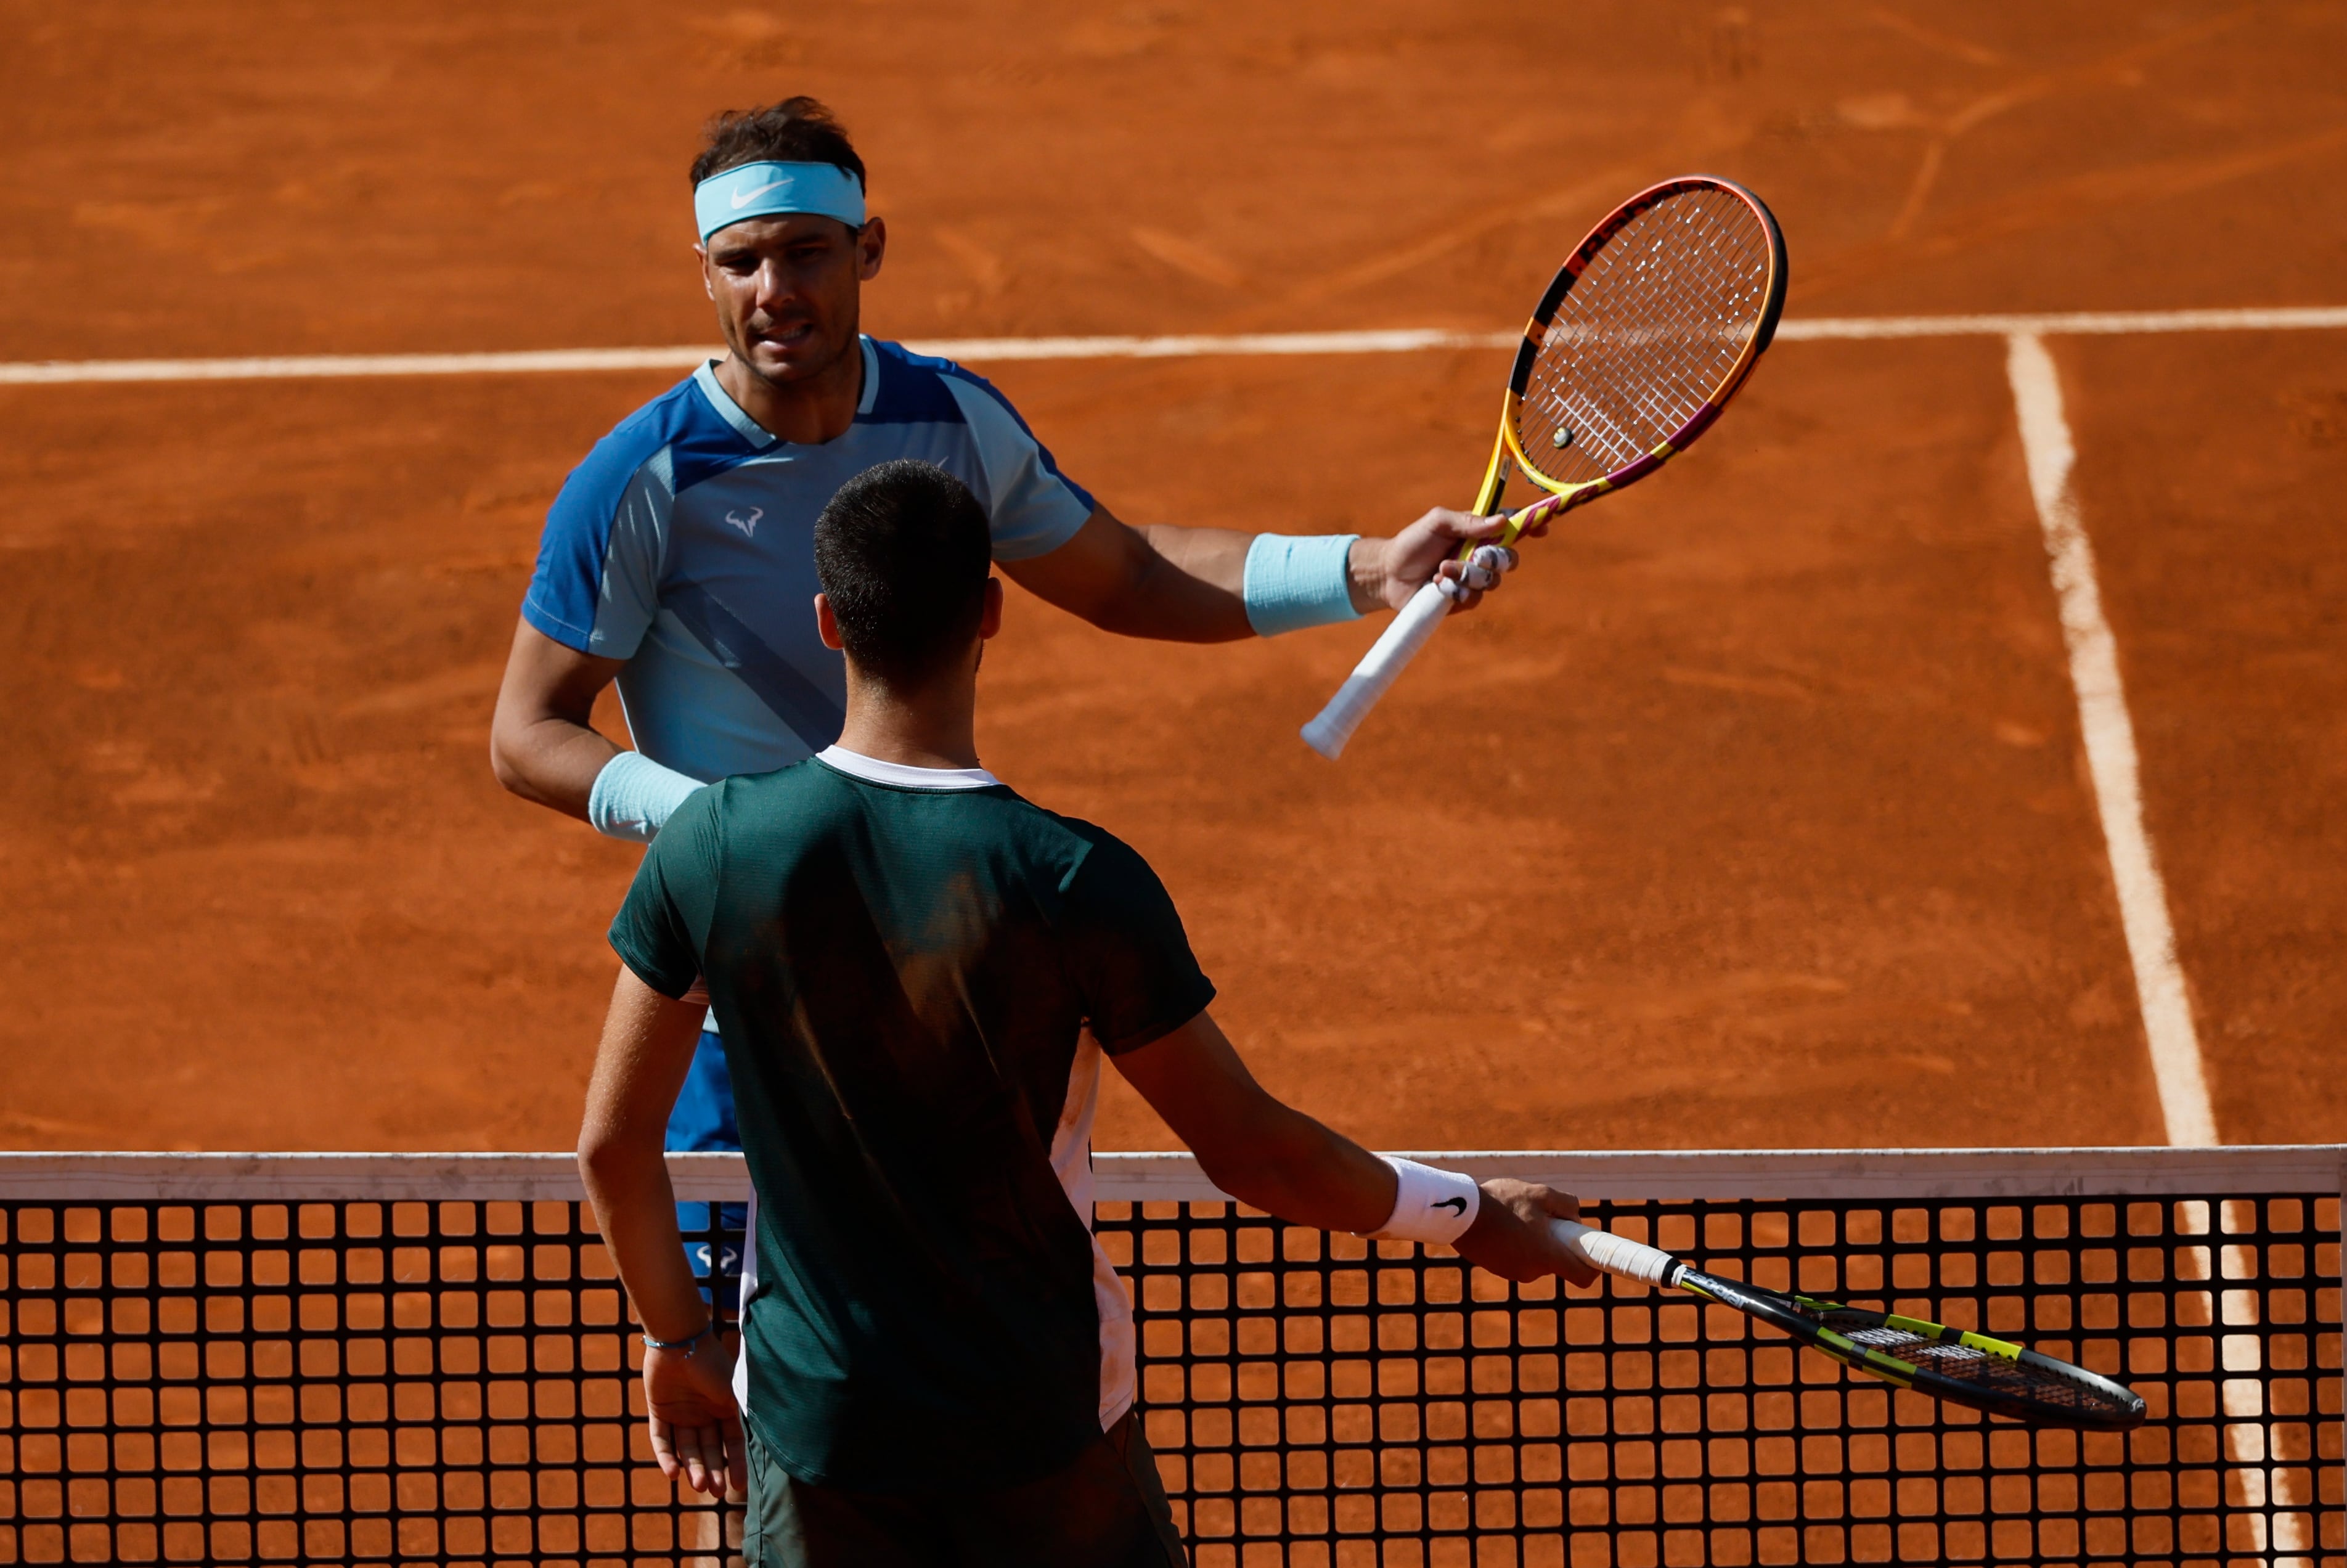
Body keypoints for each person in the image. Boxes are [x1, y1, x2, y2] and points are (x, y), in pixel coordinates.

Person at [492, 97, 1530, 1317]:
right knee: (743, 1372)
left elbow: (1127, 574)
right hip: (748, 1007)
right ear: (705, 271)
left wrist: (1368, 569)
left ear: (866, 249)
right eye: (741, 260)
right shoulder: (646, 478)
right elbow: (529, 733)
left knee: (956, 1327)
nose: (773, 289)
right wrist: (720, 830)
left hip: (936, 981)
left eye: (806, 251)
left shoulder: (947, 421)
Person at [575, 460, 1591, 1568]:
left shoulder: (712, 847)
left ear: (828, 621)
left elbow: (616, 1146)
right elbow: (1253, 1152)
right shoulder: (1073, 879)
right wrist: (1472, 1216)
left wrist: (680, 1340)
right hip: (1045, 1437)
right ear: (992, 613)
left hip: (826, 1439)